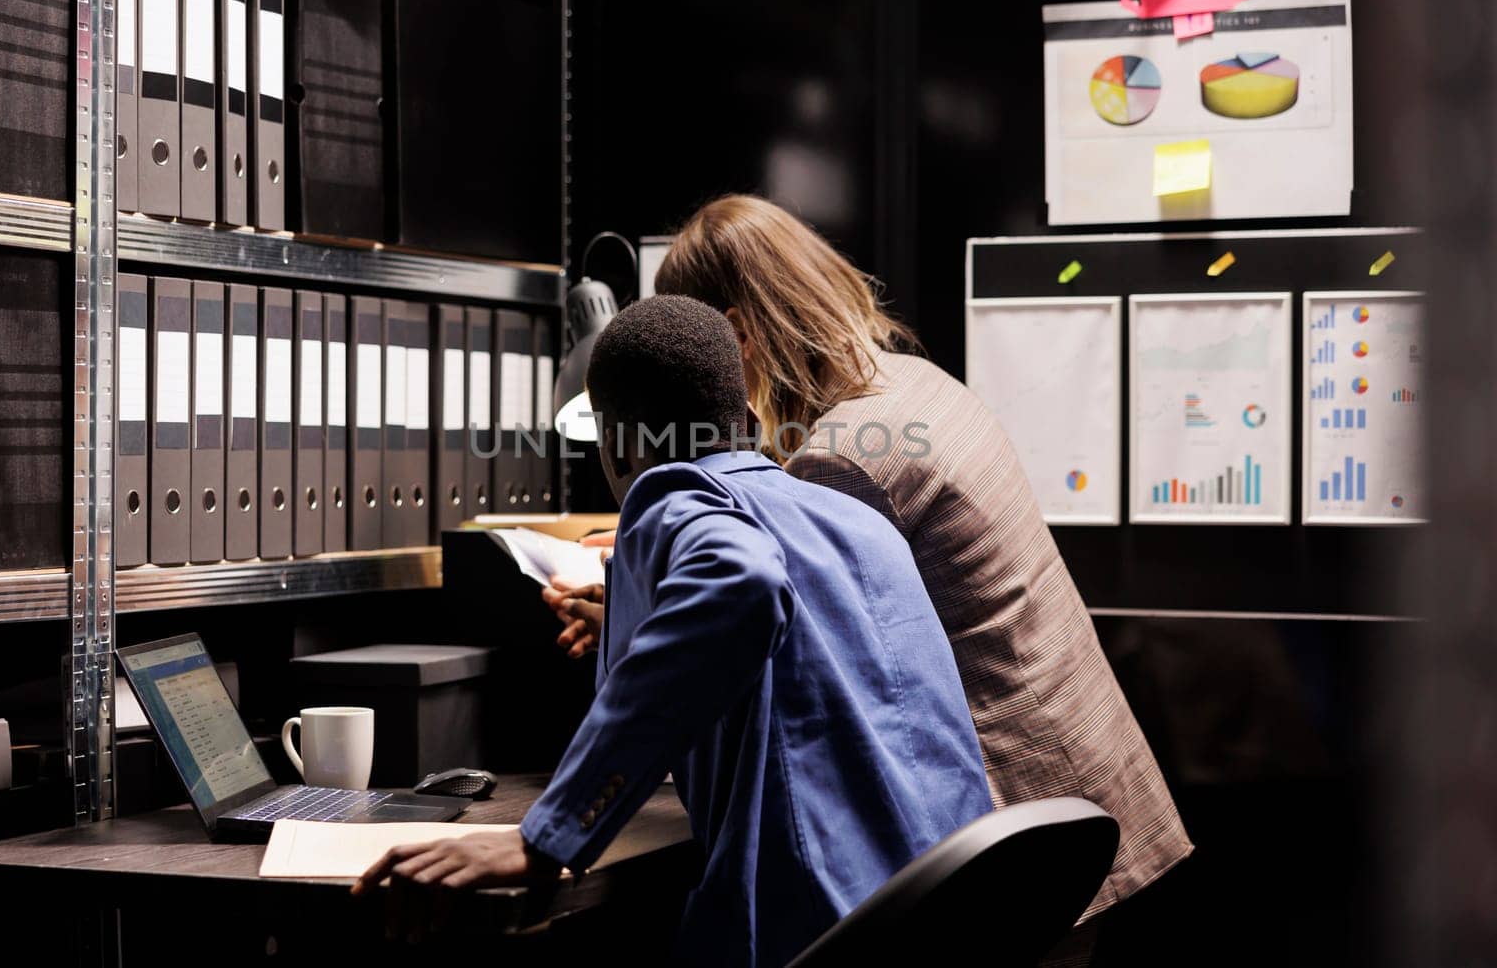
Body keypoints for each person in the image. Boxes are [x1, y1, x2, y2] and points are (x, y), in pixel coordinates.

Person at [543, 195, 1192, 958]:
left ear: (739, 335)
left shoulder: (841, 459)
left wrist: (643, 616)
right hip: (1070, 801)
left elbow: (764, 622)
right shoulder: (909, 387)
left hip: (1002, 805)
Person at [356, 295, 994, 967]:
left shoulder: (671, 498)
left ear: (621, 447)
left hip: (825, 936)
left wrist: (545, 838)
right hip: (955, 917)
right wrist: (638, 628)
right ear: (748, 420)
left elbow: (742, 582)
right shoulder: (852, 518)